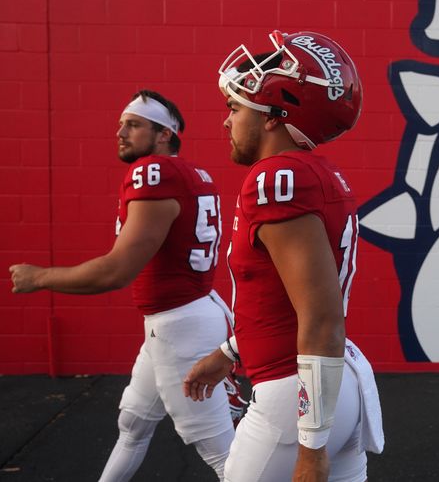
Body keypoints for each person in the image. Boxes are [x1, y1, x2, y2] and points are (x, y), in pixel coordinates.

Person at [183, 30, 384, 482]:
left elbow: (319, 317)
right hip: (334, 379)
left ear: (275, 115)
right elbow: (288, 299)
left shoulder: (276, 179)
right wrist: (231, 350)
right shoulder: (316, 172)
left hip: (294, 394)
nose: (226, 122)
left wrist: (311, 445)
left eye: (235, 108)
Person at [9, 89, 237, 481]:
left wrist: (39, 277)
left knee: (227, 459)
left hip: (178, 327)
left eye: (133, 125)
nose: (120, 132)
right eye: (121, 124)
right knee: (133, 423)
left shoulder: (155, 173)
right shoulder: (192, 172)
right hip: (186, 316)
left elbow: (115, 271)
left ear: (164, 134)